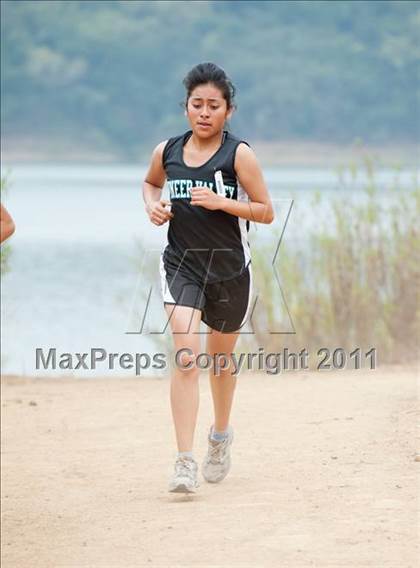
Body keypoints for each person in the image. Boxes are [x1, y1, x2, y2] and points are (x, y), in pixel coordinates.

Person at [142, 62, 274, 494]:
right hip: (182, 265)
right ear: (185, 108)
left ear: (228, 111)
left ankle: (219, 436)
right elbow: (149, 184)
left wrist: (223, 203)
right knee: (185, 356)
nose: (203, 112)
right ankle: (183, 461)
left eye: (213, 106)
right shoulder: (167, 151)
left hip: (230, 270)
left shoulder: (239, 155)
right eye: (196, 104)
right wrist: (154, 206)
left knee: (220, 362)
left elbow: (266, 211)